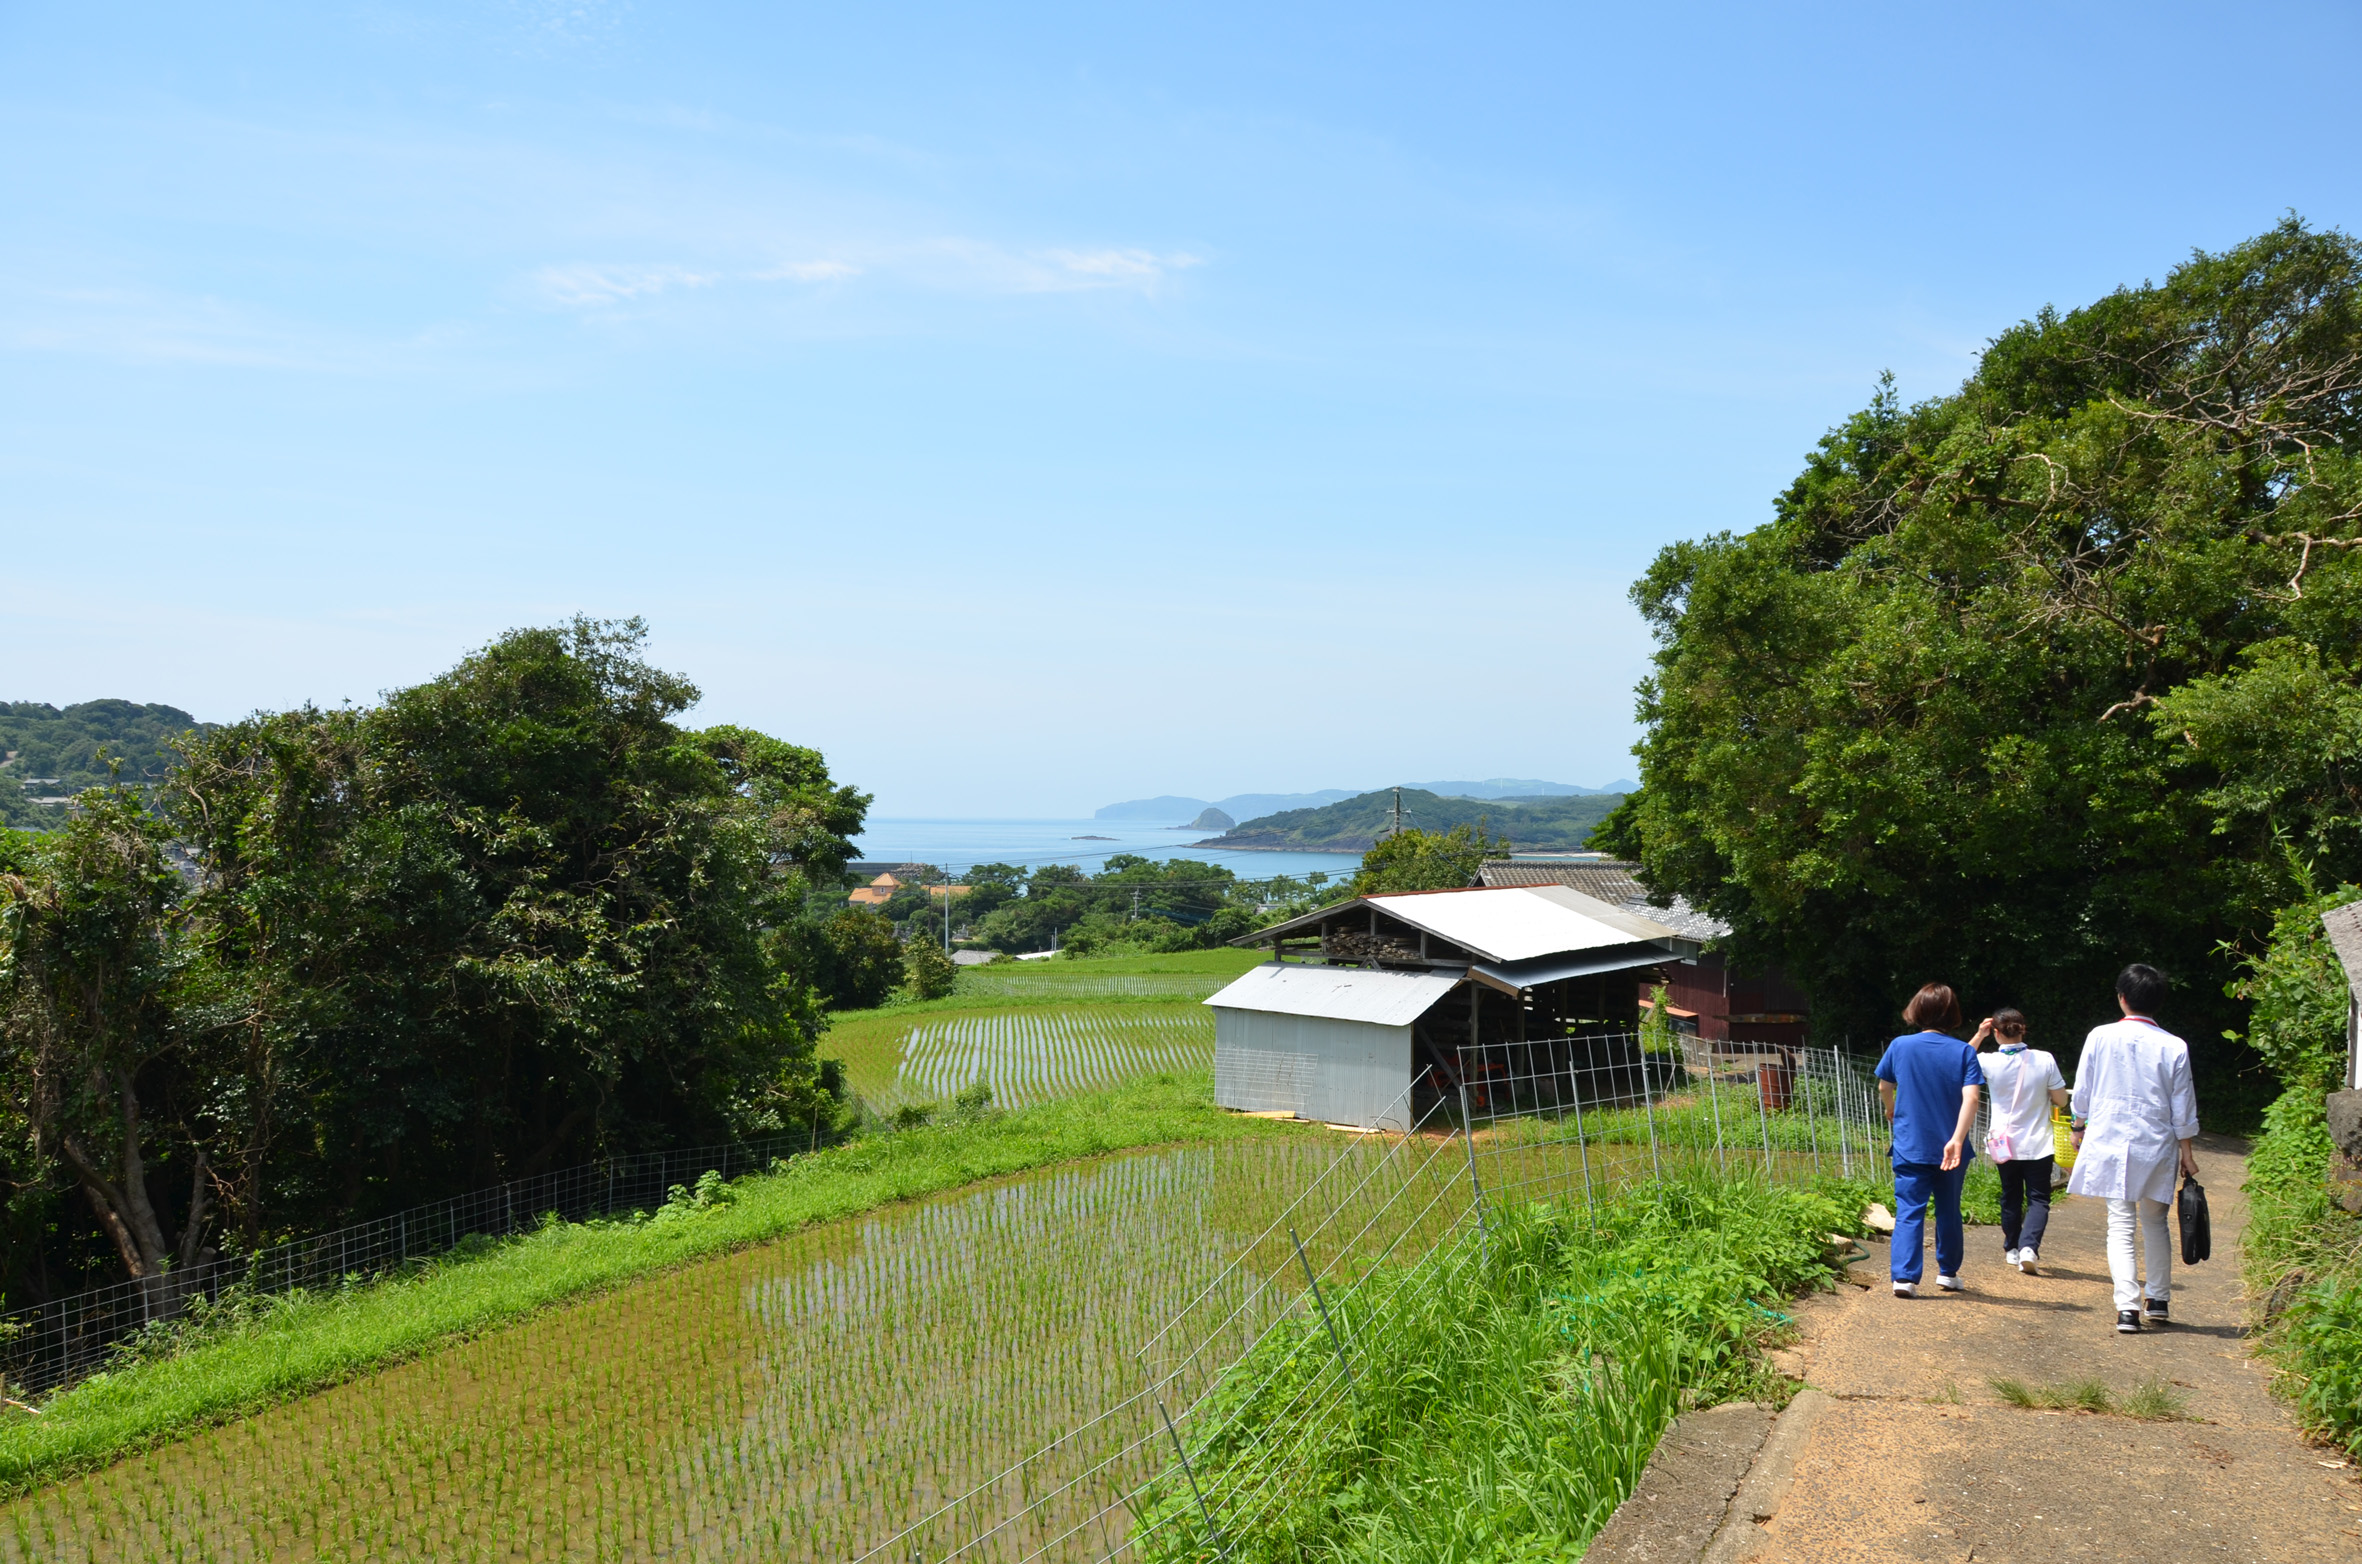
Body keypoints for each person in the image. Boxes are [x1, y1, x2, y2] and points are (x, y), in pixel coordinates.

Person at [2067, 964, 2201, 1334]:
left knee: (2120, 1224)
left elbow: (2083, 1088)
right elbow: (2183, 1104)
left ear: (2121, 997)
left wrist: (2078, 1125)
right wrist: (2187, 1153)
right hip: (2156, 1142)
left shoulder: (2100, 1036)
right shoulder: (2174, 1045)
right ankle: (2158, 1299)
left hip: (2110, 1138)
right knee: (2155, 1221)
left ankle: (2127, 1308)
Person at [1876, 983, 1985, 1298]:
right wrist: (1957, 1139)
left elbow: (1884, 1086)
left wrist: (1890, 1109)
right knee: (1949, 1209)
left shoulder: (1900, 1045)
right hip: (1952, 1149)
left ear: (1916, 1010)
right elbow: (1972, 1099)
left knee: (1910, 1210)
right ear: (1952, 1014)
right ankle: (1948, 1274)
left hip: (1910, 1144)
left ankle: (1904, 1278)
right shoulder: (1964, 1051)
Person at [1970, 1007, 2069, 1274]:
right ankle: (2029, 1248)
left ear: (1996, 1032)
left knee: (2010, 1196)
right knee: (2039, 1198)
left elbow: (1959, 1061)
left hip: (2004, 1144)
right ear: (2023, 1029)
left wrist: (1979, 1035)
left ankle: (2012, 1249)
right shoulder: (2044, 1059)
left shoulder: (1987, 1061)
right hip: (2038, 1144)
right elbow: (2061, 1099)